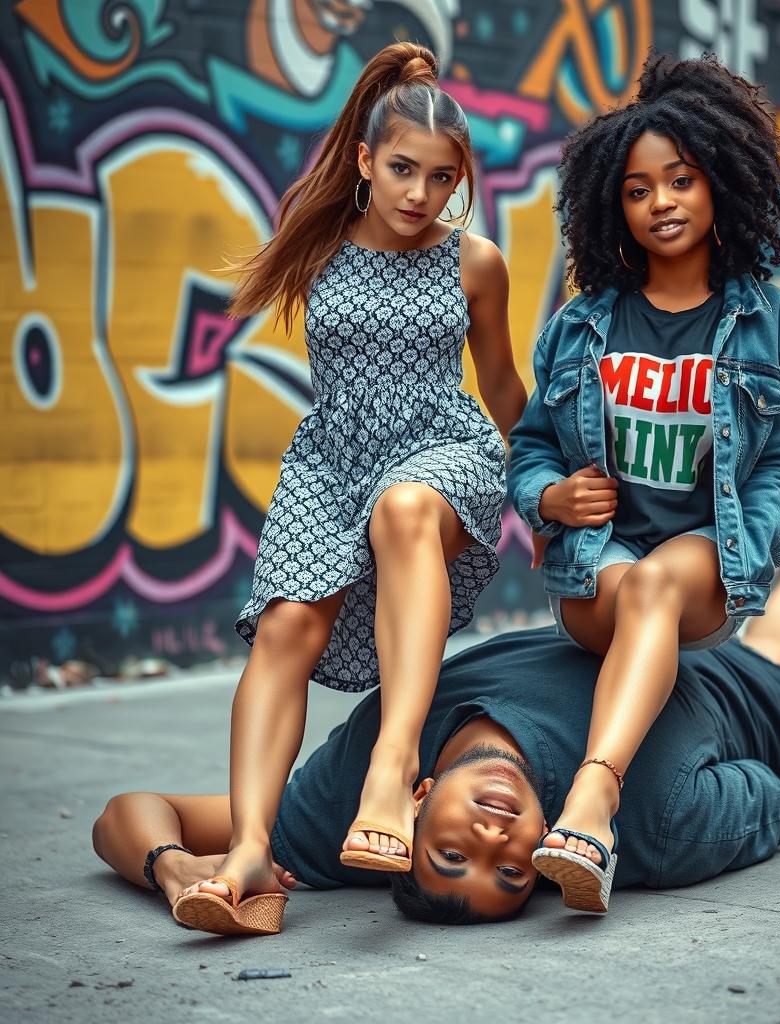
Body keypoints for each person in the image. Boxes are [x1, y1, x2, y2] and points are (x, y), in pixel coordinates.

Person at [93, 515, 780, 926]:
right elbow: (767, 791)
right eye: (511, 875)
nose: (496, 843)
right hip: (732, 700)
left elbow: (126, 814)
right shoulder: (641, 828)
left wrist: (176, 873)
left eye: (452, 852)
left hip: (646, 622)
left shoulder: (355, 799)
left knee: (769, 632)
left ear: (416, 800)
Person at [171, 42, 527, 935]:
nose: (420, 193)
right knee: (288, 624)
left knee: (407, 511)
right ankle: (253, 851)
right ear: (366, 162)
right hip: (330, 456)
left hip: (440, 445)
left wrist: (551, 484)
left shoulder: (474, 262)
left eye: (442, 178)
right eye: (402, 169)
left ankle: (389, 771)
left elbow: (502, 388)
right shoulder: (319, 239)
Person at [506, 52, 780, 907]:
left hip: (703, 564)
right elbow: (530, 449)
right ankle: (595, 813)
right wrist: (550, 498)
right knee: (638, 581)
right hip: (597, 563)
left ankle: (592, 805)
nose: (661, 204)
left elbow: (777, 461)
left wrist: (749, 541)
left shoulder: (768, 319)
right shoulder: (579, 328)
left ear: (720, 183)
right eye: (638, 191)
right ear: (614, 205)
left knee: (663, 579)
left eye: (679, 180)